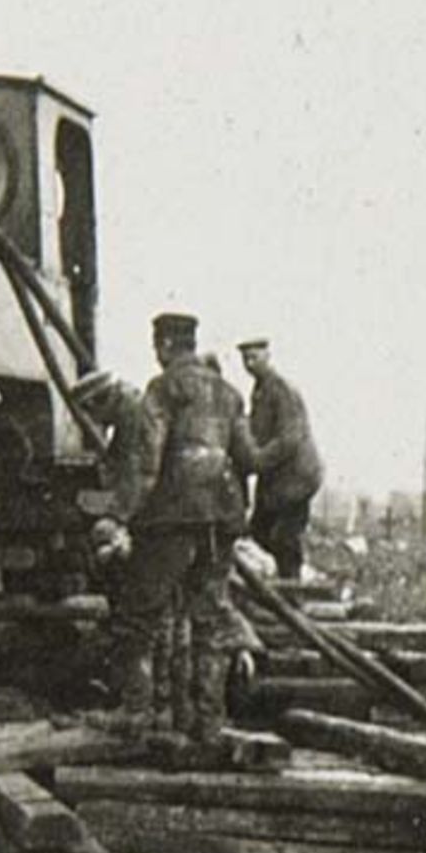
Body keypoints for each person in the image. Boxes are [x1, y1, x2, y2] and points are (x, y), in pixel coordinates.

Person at [110, 312, 257, 742]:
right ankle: (208, 723)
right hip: (221, 520)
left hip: (172, 520)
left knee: (139, 617)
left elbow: (147, 464)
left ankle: (136, 716)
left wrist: (120, 515)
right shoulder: (230, 395)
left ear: (166, 345)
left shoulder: (163, 388)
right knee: (209, 623)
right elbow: (248, 458)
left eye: (158, 345)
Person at [237, 337, 324, 580]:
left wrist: (256, 460)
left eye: (254, 357)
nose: (250, 364)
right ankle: (278, 590)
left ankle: (292, 592)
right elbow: (258, 431)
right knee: (259, 533)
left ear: (267, 356)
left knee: (284, 537)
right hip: (276, 476)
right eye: (245, 359)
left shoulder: (281, 389)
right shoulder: (260, 390)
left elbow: (289, 438)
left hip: (296, 476)